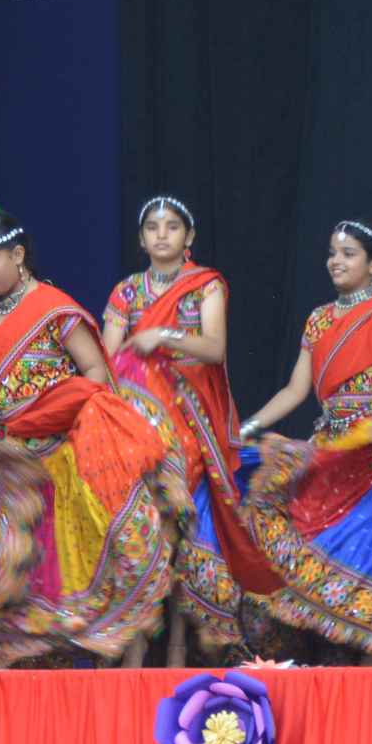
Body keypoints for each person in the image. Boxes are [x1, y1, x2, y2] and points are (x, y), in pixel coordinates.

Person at [0, 211, 180, 666]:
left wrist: (54, 406)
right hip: (6, 462)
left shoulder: (55, 309)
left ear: (18, 255)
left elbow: (96, 372)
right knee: (9, 576)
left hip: (56, 462)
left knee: (59, 573)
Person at [232, 220, 372, 664]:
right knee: (277, 508)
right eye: (333, 253)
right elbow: (296, 390)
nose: (336, 261)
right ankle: (334, 659)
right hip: (332, 449)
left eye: (348, 253)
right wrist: (245, 428)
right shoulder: (318, 320)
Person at [101, 194, 271, 662]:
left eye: (172, 226)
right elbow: (108, 361)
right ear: (141, 239)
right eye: (152, 228)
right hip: (138, 427)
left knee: (182, 535)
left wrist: (164, 336)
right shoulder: (126, 292)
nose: (161, 235)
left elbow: (214, 348)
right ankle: (132, 653)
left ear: (189, 236)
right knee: (139, 534)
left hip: (189, 426)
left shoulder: (205, 285)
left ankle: (177, 649)